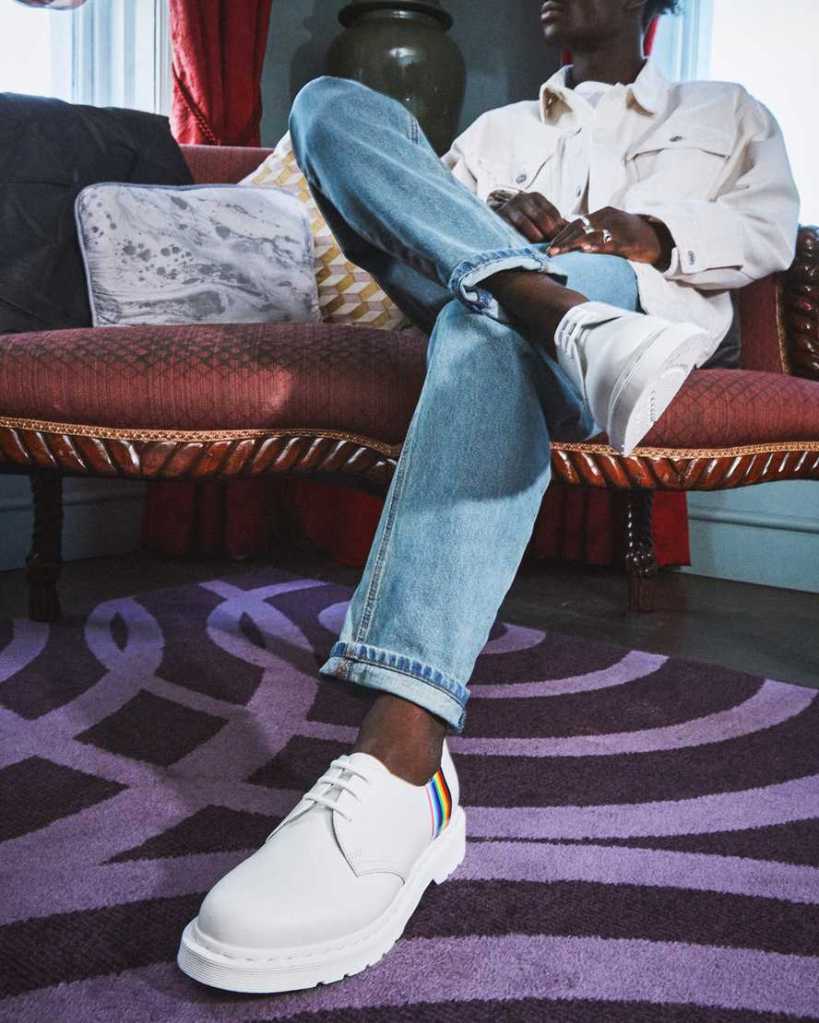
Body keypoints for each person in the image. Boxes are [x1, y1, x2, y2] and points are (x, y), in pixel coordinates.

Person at [177, 0, 800, 994]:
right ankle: (549, 312)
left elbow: (766, 230)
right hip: (495, 291)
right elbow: (409, 224)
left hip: (635, 301)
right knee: (332, 103)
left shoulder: (725, 108)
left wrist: (645, 231)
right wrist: (490, 226)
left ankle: (402, 757)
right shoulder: (498, 130)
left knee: (485, 324)